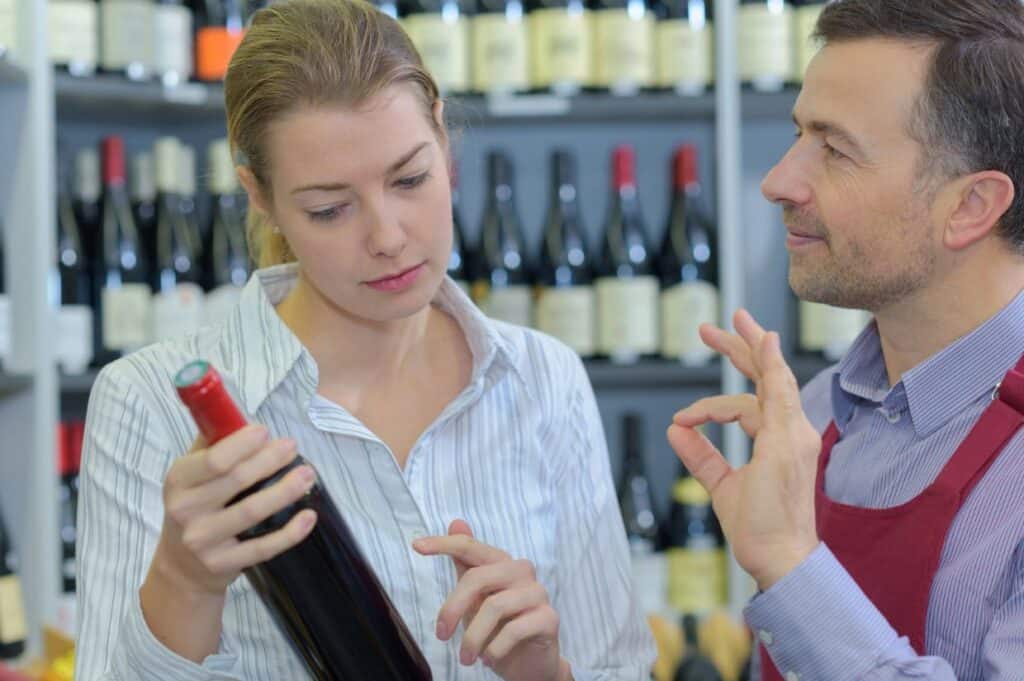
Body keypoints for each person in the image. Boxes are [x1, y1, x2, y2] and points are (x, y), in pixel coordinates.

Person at [73, 1, 656, 679]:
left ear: (442, 137)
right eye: (329, 208)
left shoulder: (543, 378)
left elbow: (620, 667)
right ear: (260, 197)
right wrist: (183, 580)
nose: (387, 236)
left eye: (410, 178)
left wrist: (546, 672)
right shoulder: (147, 403)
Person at [667, 1, 1024, 679]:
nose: (778, 182)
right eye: (800, 133)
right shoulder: (821, 411)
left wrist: (791, 565)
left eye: (835, 149)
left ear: (971, 206)